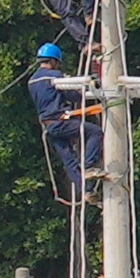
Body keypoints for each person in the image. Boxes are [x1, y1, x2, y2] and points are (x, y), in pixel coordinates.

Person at [26, 42, 101, 195]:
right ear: (53, 61)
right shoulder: (55, 76)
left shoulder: (32, 81)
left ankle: (86, 191)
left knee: (69, 161)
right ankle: (89, 166)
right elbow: (72, 95)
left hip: (48, 126)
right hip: (60, 121)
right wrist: (88, 90)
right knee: (95, 132)